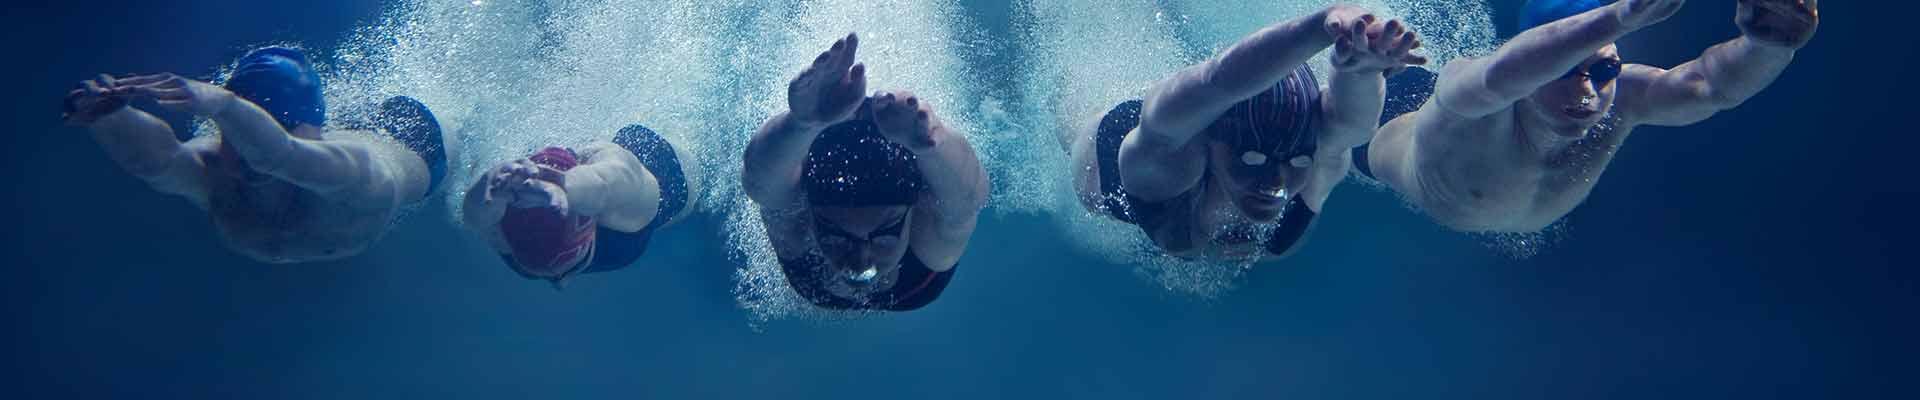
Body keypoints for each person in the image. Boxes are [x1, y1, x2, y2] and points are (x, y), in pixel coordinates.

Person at [1358, 0, 1819, 233]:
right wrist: (1621, 17)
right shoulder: (1473, 93)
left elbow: (1710, 87)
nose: (1588, 91)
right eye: (1564, 71)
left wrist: (1770, 45)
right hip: (1378, 136)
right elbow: (1501, 74)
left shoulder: (1622, 96)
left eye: (1603, 70)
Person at [1061, 5, 1426, 259]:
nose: (1275, 180)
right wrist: (1319, 27)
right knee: (1078, 122)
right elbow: (1215, 84)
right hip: (1108, 158)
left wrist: (1361, 71)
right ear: (1209, 142)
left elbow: (1352, 124)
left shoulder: (1319, 157)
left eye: (1297, 159)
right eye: (1252, 159)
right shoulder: (1170, 162)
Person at [62, 47, 446, 264]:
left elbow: (278, 156)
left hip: (416, 139)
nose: (245, 158)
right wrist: (110, 117)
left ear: (313, 134)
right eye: (232, 138)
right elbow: (157, 164)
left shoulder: (357, 171)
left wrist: (223, 106)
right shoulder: (212, 162)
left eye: (281, 128)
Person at [743, 33, 989, 311]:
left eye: (886, 237)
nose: (860, 263)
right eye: (834, 238)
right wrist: (930, 145)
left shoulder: (925, 228)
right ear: (809, 213)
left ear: (916, 210)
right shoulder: (799, 222)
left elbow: (759, 181)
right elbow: (968, 199)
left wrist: (801, 125)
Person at [461, 124, 703, 287]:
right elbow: (608, 182)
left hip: (633, 168)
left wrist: (489, 183)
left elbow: (474, 215)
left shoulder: (508, 240)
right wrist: (564, 184)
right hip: (669, 181)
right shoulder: (631, 208)